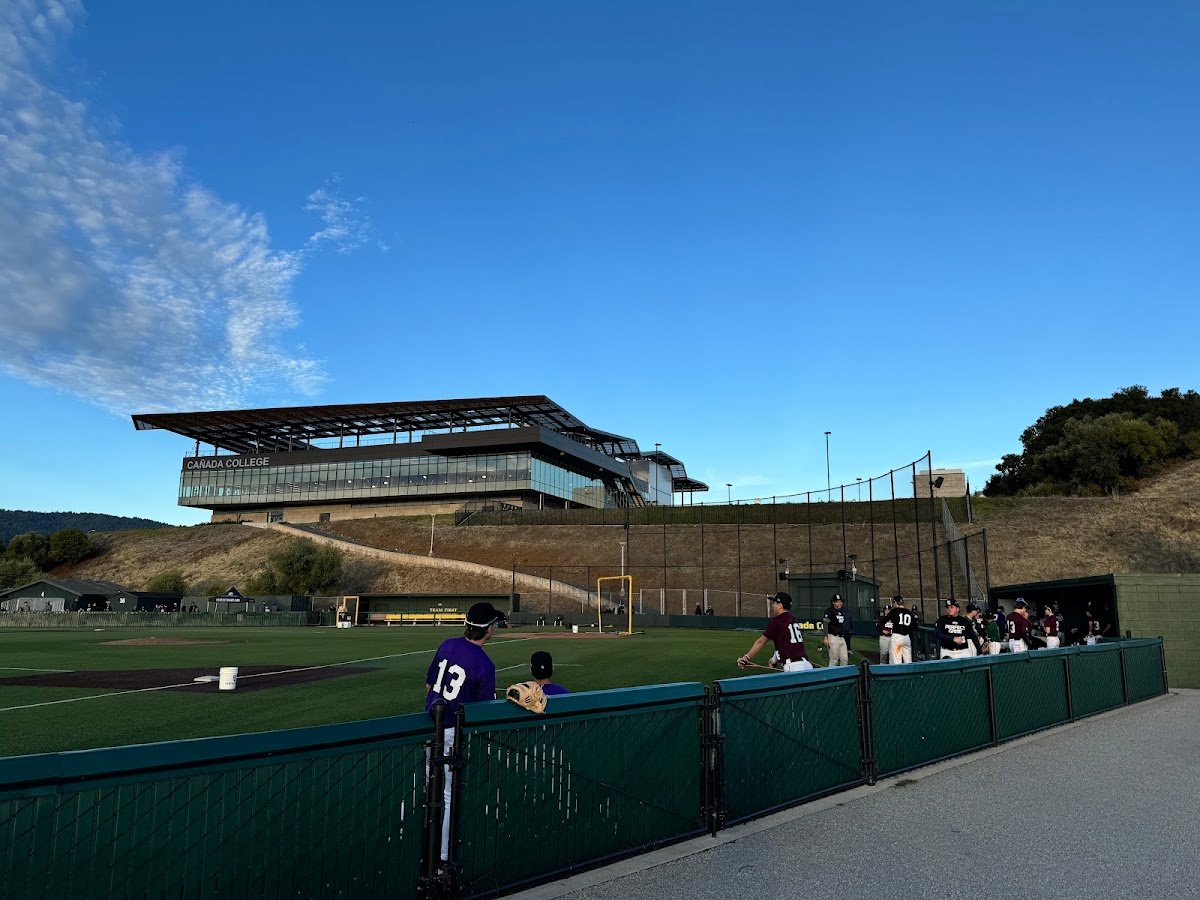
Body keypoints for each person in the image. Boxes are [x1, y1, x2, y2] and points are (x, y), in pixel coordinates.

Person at [425, 601, 505, 861]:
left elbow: (428, 686)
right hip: (452, 734)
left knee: (428, 789)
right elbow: (483, 712)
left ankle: (420, 844)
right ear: (488, 629)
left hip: (429, 727)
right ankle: (443, 857)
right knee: (448, 796)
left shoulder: (447, 644)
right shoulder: (485, 664)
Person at [737, 592, 813, 672]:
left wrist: (746, 657)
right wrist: (774, 660)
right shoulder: (793, 619)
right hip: (807, 665)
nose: (773, 605)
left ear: (780, 605)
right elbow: (786, 644)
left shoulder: (777, 621)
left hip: (793, 668)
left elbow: (761, 642)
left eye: (775, 603)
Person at [884, 596, 916, 664]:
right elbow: (915, 626)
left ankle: (897, 674)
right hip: (907, 637)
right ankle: (909, 674)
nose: (893, 604)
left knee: (896, 660)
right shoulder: (909, 612)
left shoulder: (894, 611)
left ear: (895, 602)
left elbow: (885, 620)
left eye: (893, 602)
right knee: (908, 661)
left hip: (897, 637)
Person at [823, 594, 852, 667]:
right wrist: (826, 637)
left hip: (842, 638)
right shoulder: (829, 611)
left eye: (840, 601)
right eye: (837, 602)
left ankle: (843, 676)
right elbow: (825, 624)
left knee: (845, 660)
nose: (839, 603)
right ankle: (832, 677)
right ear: (833, 602)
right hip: (833, 637)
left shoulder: (842, 611)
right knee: (834, 660)